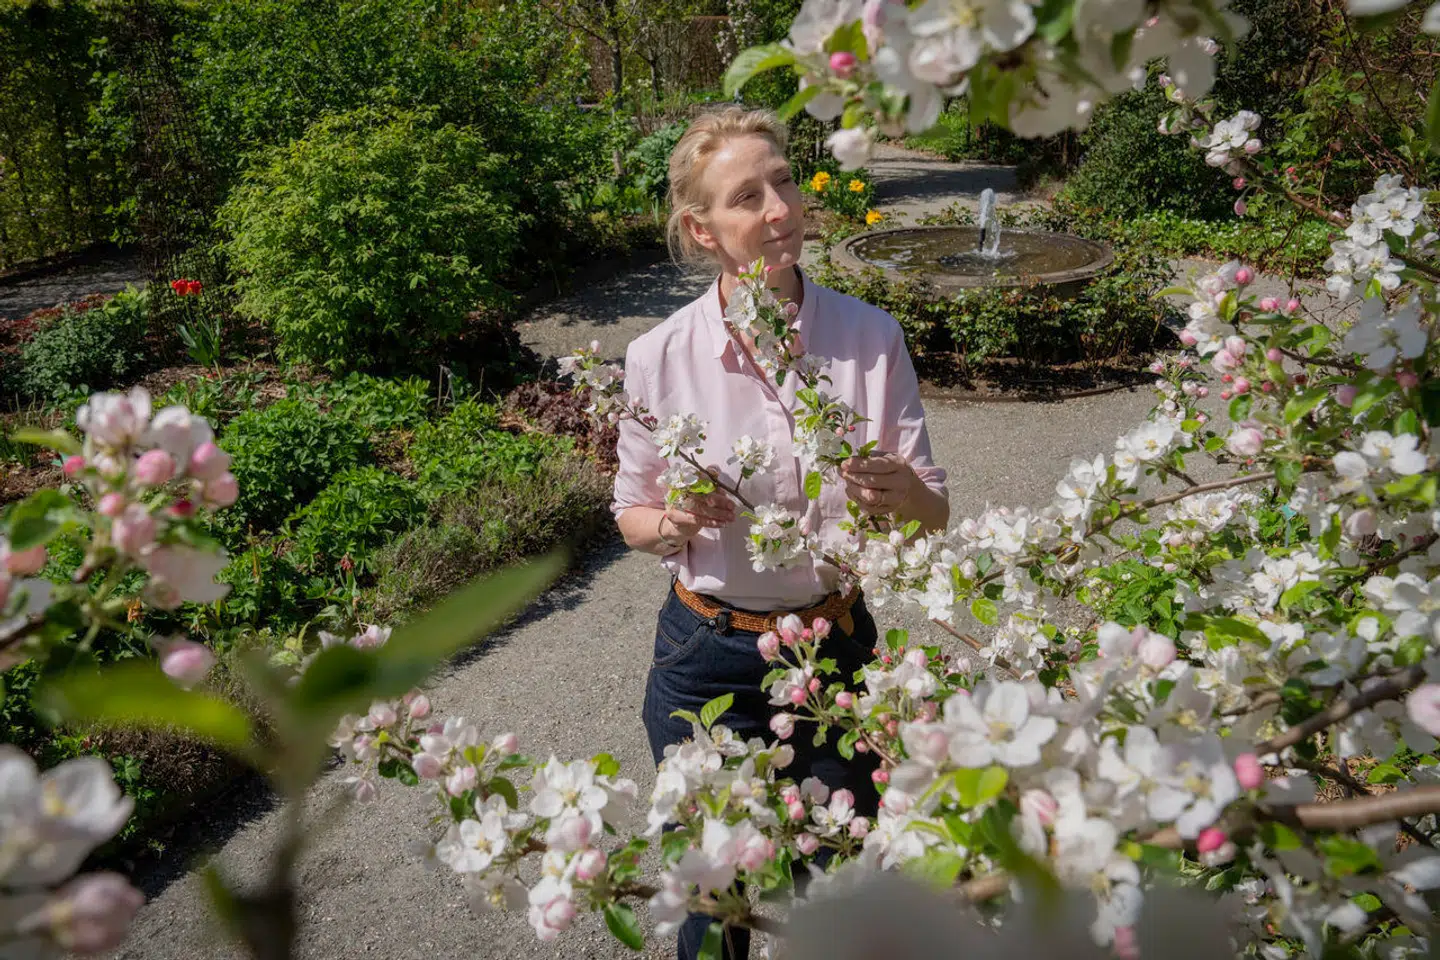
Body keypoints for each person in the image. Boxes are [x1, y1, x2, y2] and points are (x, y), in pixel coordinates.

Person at [609, 106, 950, 960]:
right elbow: (630, 513)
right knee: (714, 901)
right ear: (702, 229)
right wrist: (674, 521)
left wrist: (899, 490)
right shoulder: (660, 356)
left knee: (830, 895)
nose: (780, 209)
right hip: (707, 659)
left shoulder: (869, 339)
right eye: (747, 196)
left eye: (786, 181)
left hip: (833, 647)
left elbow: (934, 513)